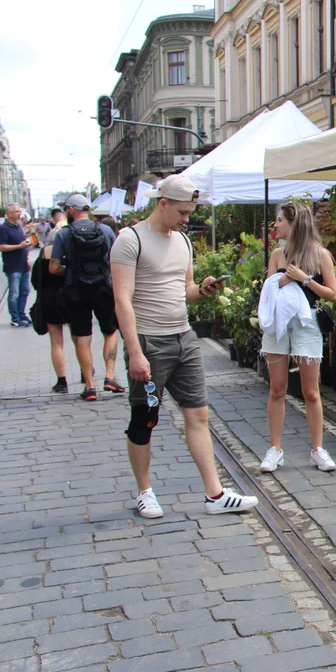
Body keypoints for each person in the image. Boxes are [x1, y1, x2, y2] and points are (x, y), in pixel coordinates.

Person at [110, 174, 258, 518]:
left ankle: (215, 494)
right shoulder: (129, 241)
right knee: (145, 417)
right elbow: (121, 299)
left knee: (199, 414)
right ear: (163, 204)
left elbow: (185, 289)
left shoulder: (183, 241)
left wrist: (202, 290)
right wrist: (134, 351)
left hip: (184, 338)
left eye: (190, 212)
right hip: (149, 342)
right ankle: (144, 491)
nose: (187, 219)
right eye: (182, 212)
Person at [258, 200, 336, 474]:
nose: (276, 224)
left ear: (294, 223)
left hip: (307, 325)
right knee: (277, 388)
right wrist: (281, 281)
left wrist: (305, 279)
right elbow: (268, 294)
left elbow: (332, 294)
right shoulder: (277, 255)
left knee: (311, 391)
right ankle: (275, 449)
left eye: (280, 220)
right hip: (279, 325)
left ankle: (318, 449)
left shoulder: (320, 255)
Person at [50, 193, 125, 400]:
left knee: (82, 338)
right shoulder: (106, 230)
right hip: (103, 288)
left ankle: (90, 386)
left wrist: (73, 270)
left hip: (77, 290)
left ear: (70, 210)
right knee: (110, 332)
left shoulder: (64, 234)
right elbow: (116, 259)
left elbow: (53, 267)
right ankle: (110, 377)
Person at [32, 239, 69, 393]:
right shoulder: (73, 251)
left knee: (56, 342)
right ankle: (86, 374)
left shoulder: (43, 253)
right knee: (80, 339)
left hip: (49, 300)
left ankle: (62, 381)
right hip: (71, 297)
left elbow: (35, 280)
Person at [0, 203, 33, 327]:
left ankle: (22, 314)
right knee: (14, 293)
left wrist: (27, 258)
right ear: (9, 214)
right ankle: (15, 318)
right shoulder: (4, 228)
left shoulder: (18, 226)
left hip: (23, 264)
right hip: (13, 266)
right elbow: (0, 246)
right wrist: (19, 246)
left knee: (25, 291)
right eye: (16, 211)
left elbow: (22, 244)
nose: (19, 213)